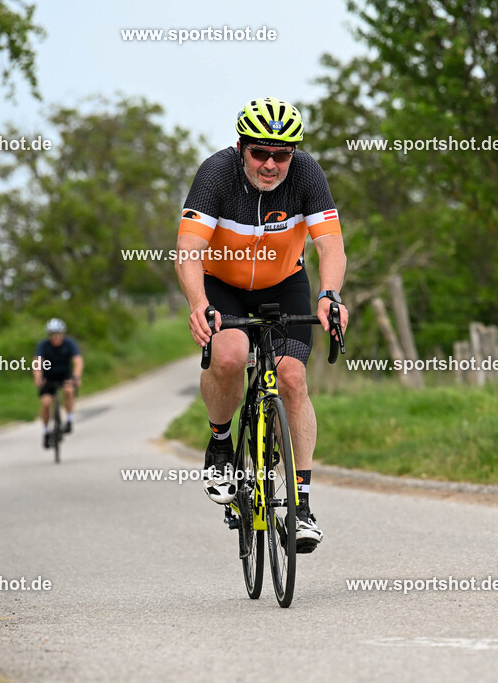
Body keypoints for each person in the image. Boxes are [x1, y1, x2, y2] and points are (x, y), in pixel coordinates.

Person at [174, 97, 348, 553]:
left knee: (291, 376)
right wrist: (198, 303)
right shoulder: (216, 173)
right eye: (260, 153)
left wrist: (329, 295)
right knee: (229, 356)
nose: (271, 164)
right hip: (223, 285)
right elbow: (189, 249)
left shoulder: (307, 174)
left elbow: (330, 246)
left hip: (283, 283)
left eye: (282, 154)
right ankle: (219, 443)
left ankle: (301, 506)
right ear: (240, 148)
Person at [34, 318, 83, 448]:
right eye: (53, 334)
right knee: (46, 403)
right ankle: (46, 432)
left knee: (68, 390)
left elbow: (77, 361)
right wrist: (38, 377)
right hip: (48, 377)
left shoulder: (69, 344)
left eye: (58, 334)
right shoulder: (43, 345)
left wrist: (76, 377)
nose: (56, 337)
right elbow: (37, 362)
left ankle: (69, 420)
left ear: (63, 334)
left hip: (65, 376)